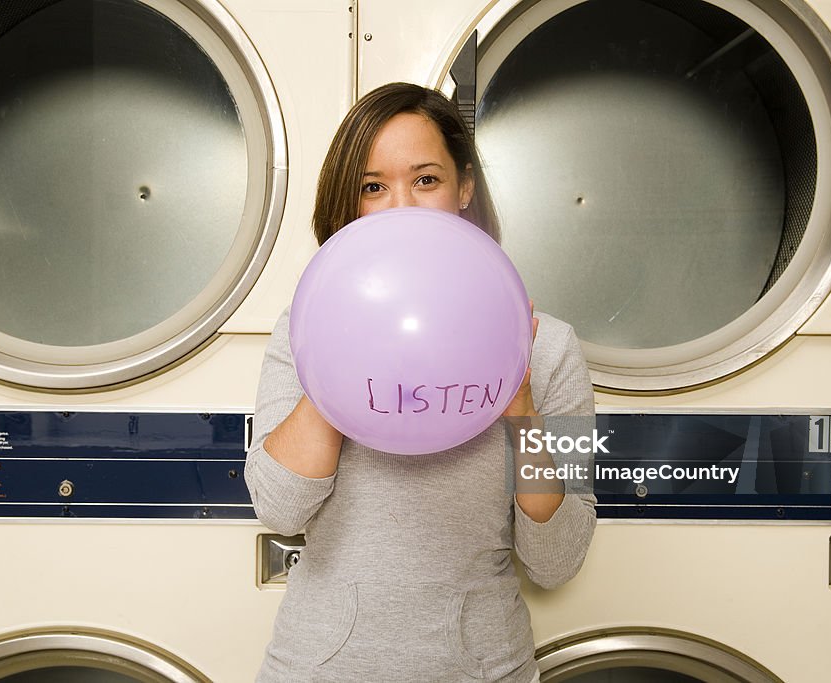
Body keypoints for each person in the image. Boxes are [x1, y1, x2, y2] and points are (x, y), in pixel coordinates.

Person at [245, 82, 596, 683]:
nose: (401, 206)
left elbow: (557, 558)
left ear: (464, 189)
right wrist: (339, 350)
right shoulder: (302, 329)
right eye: (373, 187)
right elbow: (279, 510)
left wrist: (519, 401)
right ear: (349, 205)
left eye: (426, 180)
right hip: (320, 668)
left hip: (485, 668)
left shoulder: (548, 345)